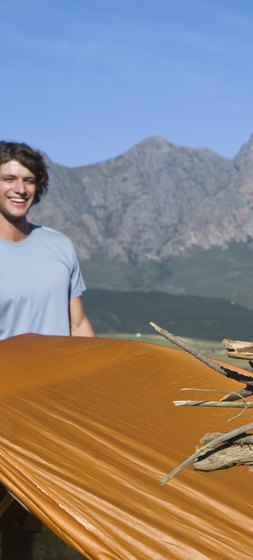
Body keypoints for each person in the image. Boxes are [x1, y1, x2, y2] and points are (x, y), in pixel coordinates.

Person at [0, 141, 95, 559]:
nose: (20, 188)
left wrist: (99, 386)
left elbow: (77, 324)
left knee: (24, 529)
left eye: (28, 180)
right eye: (9, 178)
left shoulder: (59, 246)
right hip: (3, 410)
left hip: (50, 415)